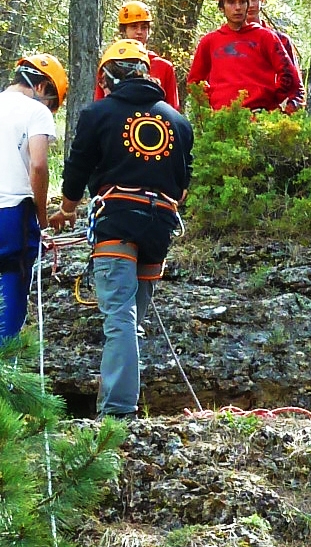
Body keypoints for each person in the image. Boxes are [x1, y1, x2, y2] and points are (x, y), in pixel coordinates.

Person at [49, 40, 193, 419]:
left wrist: (67, 208)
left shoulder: (99, 113)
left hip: (117, 220)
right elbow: (182, 184)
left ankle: (117, 411)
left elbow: (78, 166)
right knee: (132, 320)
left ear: (108, 75)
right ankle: (122, 402)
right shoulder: (177, 121)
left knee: (119, 318)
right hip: (159, 225)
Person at [0, 54, 65, 343]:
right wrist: (41, 216)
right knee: (13, 286)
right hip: (14, 212)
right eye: (51, 101)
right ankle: (7, 375)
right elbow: (38, 165)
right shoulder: (36, 111)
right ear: (41, 87)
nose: (49, 107)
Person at [186, 0, 304, 112]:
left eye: (242, 1)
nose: (237, 7)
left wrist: (271, 101)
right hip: (222, 121)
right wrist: (209, 107)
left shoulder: (267, 37)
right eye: (231, 2)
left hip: (259, 119)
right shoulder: (209, 42)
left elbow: (290, 79)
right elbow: (194, 83)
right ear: (221, 7)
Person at [94, 2, 179, 111]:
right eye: (133, 27)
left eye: (144, 27)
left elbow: (173, 108)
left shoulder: (164, 67)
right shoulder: (110, 64)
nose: (139, 32)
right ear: (123, 30)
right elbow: (99, 104)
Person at [241, 0, 305, 111]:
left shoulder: (281, 41)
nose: (251, 4)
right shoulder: (225, 43)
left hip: (269, 118)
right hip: (233, 117)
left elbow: (298, 91)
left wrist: (286, 113)